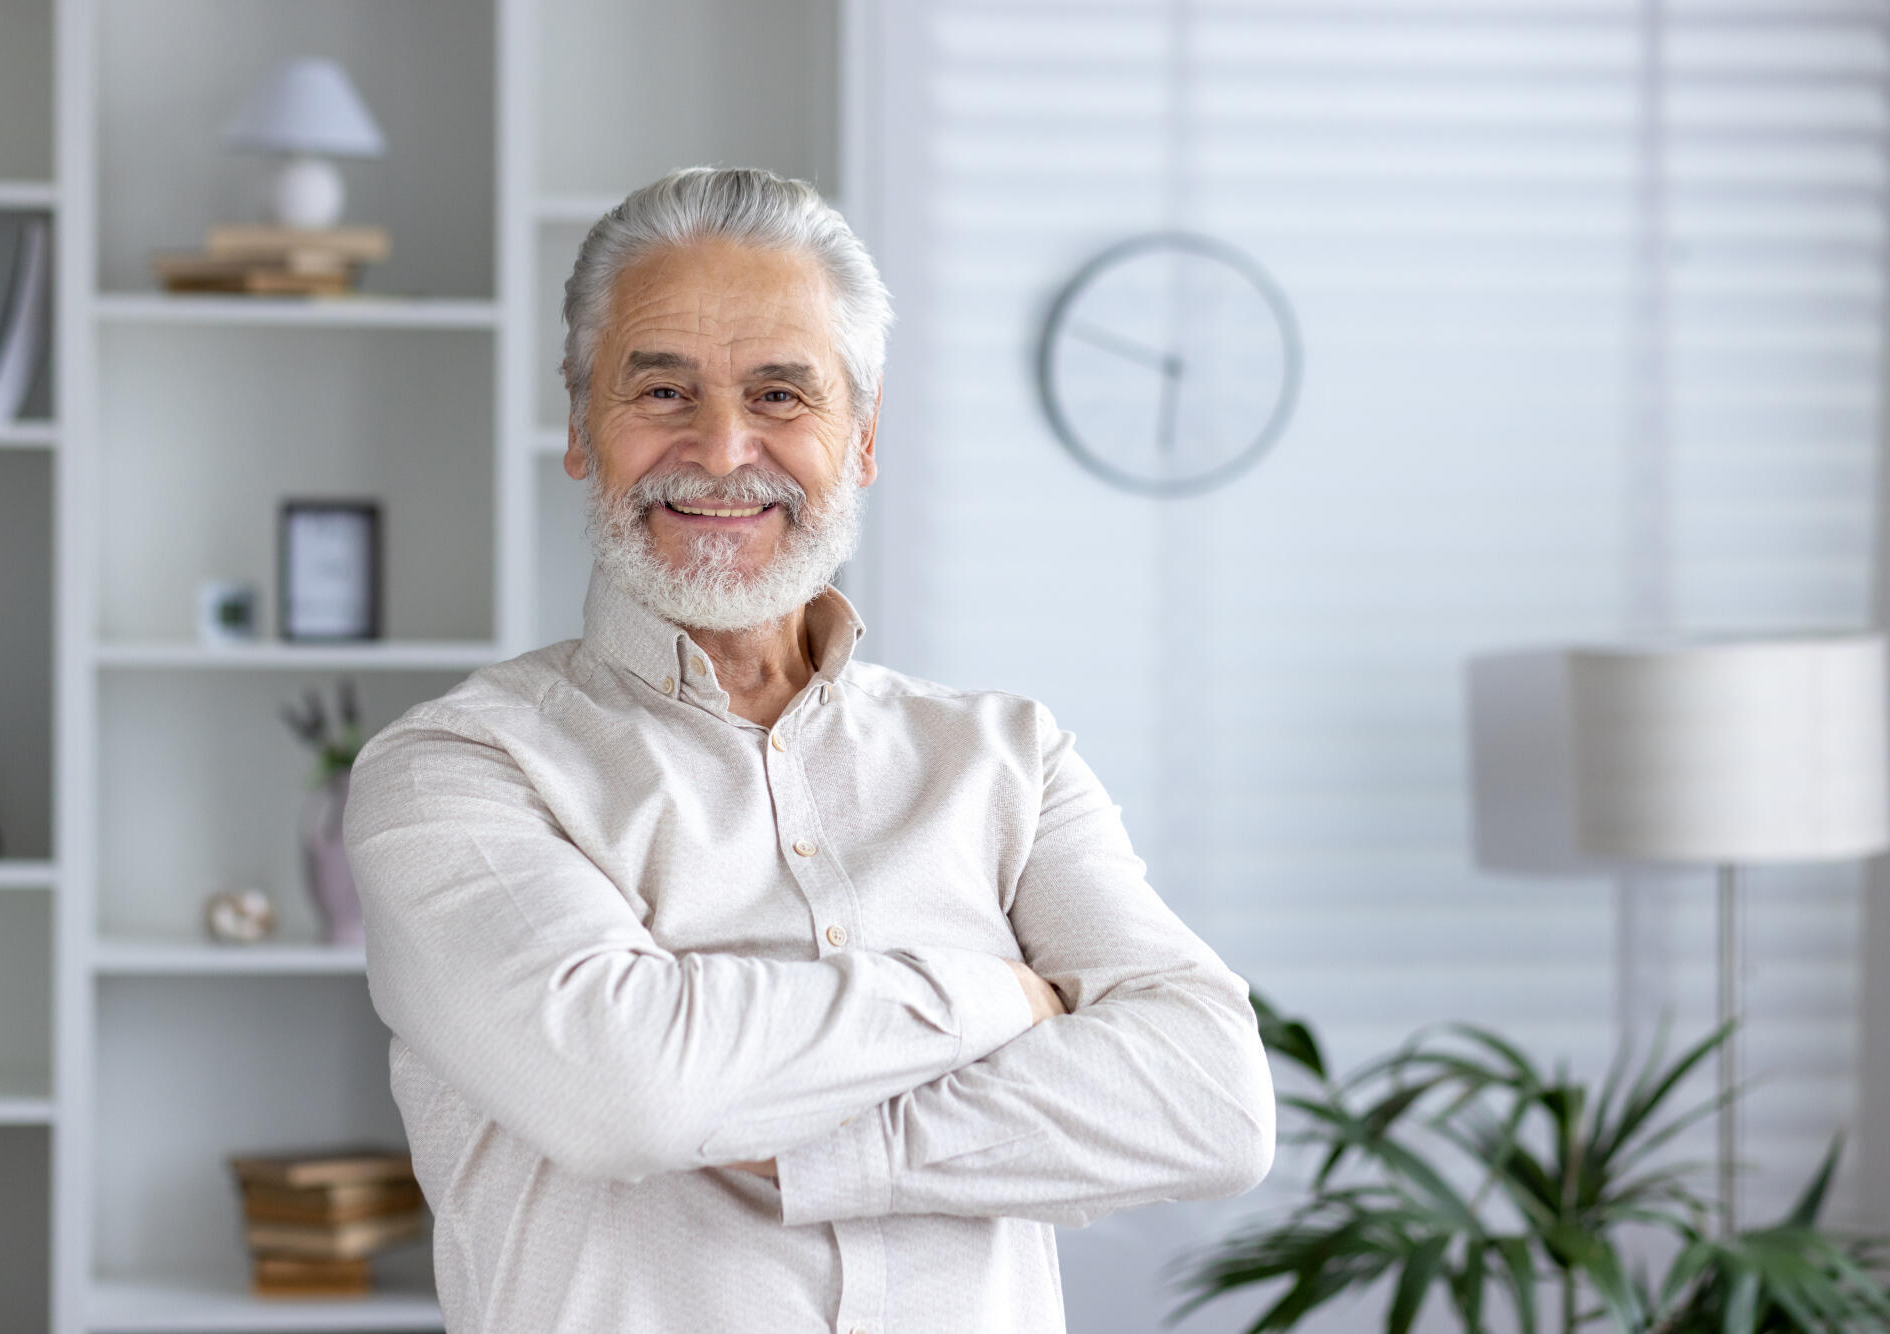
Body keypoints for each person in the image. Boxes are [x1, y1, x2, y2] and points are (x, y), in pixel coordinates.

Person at [343, 165, 1276, 1334]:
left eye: (781, 394)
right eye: (664, 390)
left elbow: (1210, 1101)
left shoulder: (1011, 757)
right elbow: (624, 1091)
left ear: (863, 439)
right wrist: (991, 994)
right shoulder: (455, 771)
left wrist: (824, 1146)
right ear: (582, 429)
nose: (724, 449)